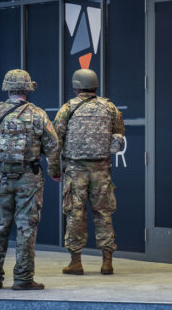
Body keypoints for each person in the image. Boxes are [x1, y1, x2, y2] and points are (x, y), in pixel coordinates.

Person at [0, 69, 61, 290]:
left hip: (0, 176)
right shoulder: (38, 114)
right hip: (28, 177)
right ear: (28, 88)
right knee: (26, 229)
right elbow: (53, 147)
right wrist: (55, 171)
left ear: (7, 88)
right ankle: (23, 278)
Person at [55, 68, 125, 275]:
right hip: (101, 170)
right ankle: (107, 262)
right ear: (95, 85)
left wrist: (54, 168)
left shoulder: (67, 108)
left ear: (75, 85)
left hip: (75, 172)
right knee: (103, 214)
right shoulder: (110, 108)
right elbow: (118, 136)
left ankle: (75, 262)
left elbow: (55, 140)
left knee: (75, 215)